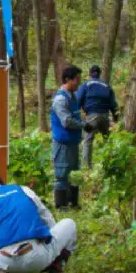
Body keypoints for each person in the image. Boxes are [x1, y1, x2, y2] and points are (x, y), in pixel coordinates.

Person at [51, 65, 85, 210]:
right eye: (76, 79)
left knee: (73, 173)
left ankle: (73, 202)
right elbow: (66, 121)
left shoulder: (73, 97)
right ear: (67, 79)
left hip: (73, 142)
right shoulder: (60, 99)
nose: (78, 82)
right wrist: (84, 125)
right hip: (62, 143)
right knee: (62, 173)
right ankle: (61, 204)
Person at [76, 64, 119, 168]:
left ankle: (87, 167)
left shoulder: (86, 85)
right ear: (99, 74)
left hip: (92, 115)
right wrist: (115, 118)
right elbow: (114, 104)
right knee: (107, 139)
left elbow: (78, 100)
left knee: (88, 140)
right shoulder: (107, 86)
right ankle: (108, 164)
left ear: (90, 74)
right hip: (105, 116)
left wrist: (76, 115)